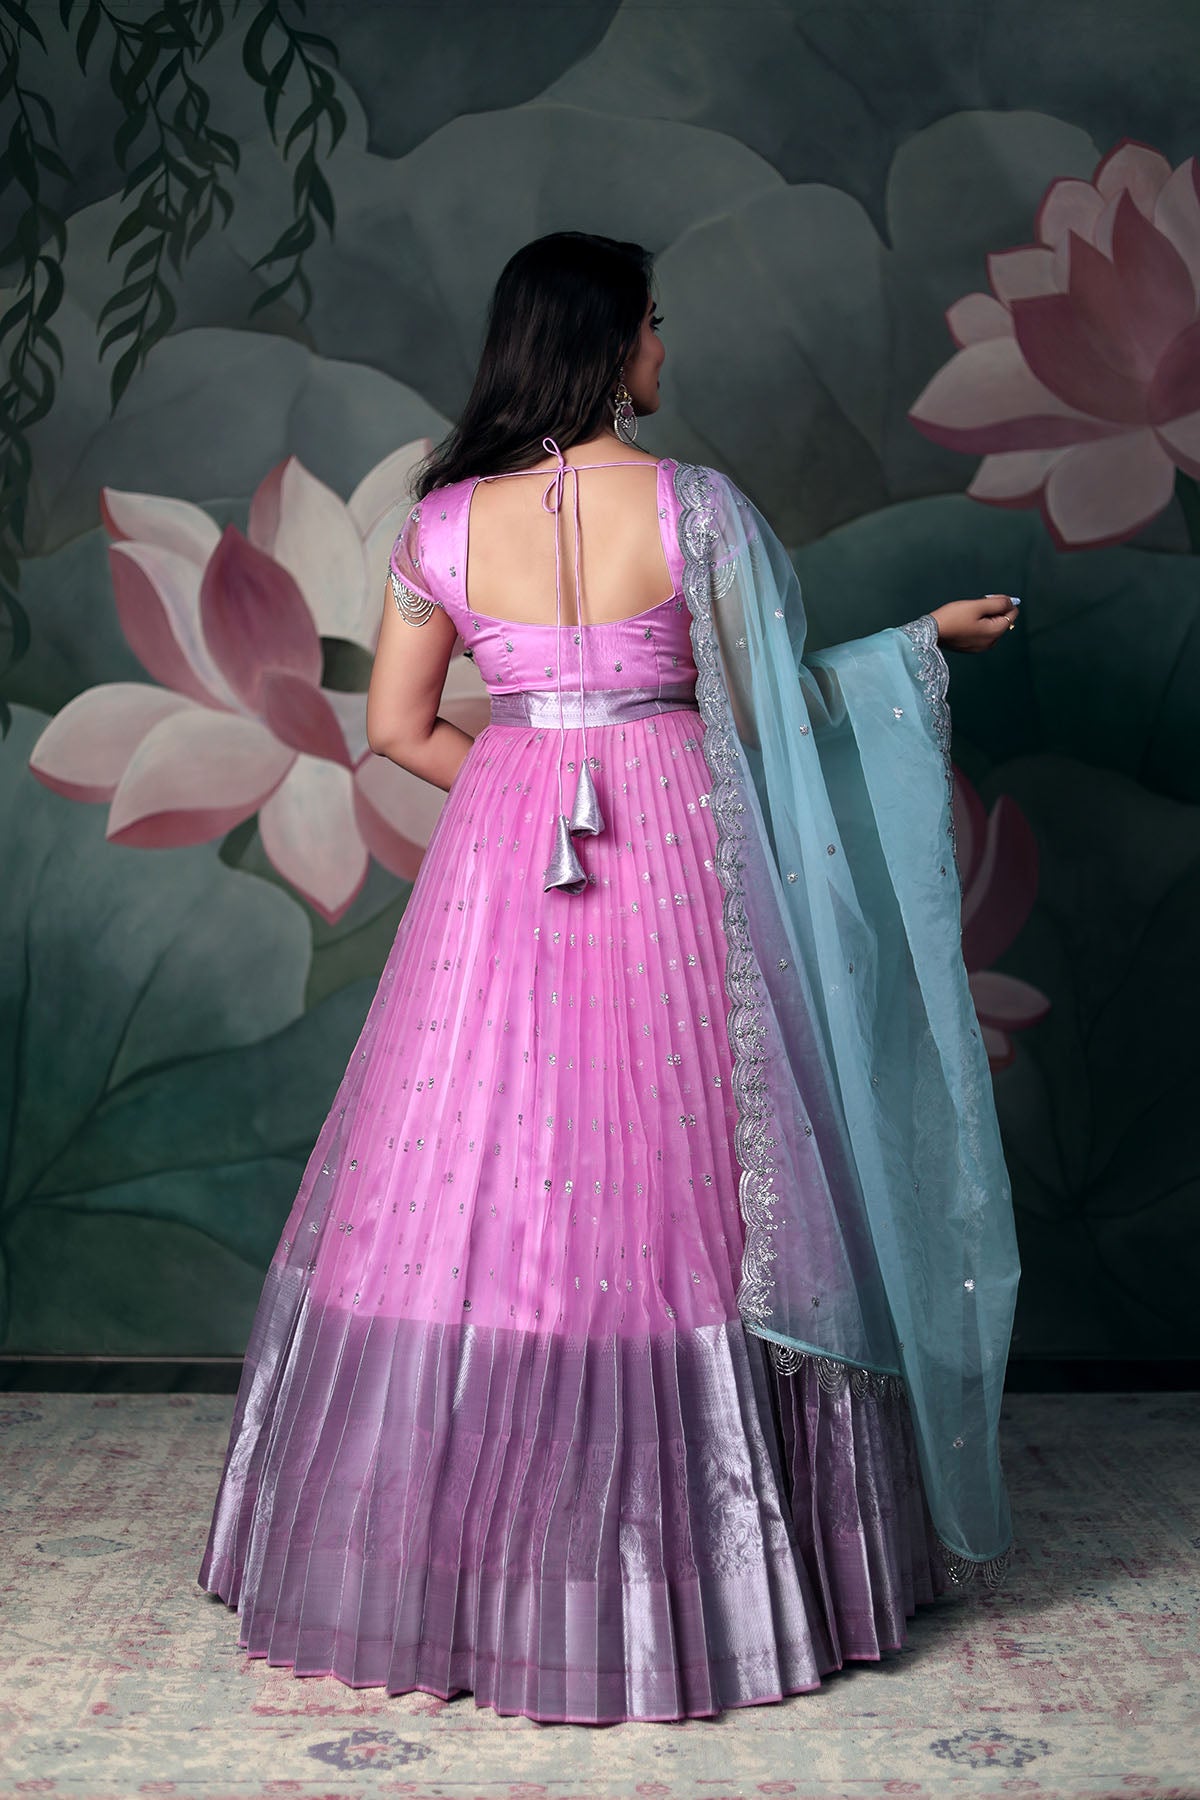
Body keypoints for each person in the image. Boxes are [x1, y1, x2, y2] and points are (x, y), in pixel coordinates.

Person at [199, 232, 1022, 1724]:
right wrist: (913, 647)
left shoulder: (438, 525)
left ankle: (451, 1556)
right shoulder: (698, 512)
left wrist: (525, 802)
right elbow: (774, 714)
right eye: (653, 323)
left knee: (479, 1172)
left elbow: (396, 726)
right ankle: (718, 1558)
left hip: (507, 840)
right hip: (678, 843)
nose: (667, 346)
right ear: (607, 345)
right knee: (693, 1164)